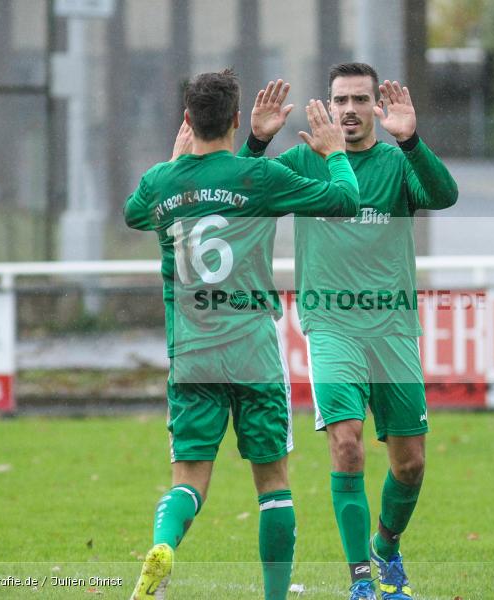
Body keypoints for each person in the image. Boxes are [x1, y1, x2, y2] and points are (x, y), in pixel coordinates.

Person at [124, 69, 360, 600]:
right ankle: (275, 596)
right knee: (272, 481)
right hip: (253, 347)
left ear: (187, 120)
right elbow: (346, 198)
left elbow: (135, 211)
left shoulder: (162, 184)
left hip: (193, 352)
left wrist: (174, 162)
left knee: (188, 477)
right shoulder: (259, 179)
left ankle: (164, 545)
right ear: (234, 119)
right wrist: (333, 150)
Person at [239, 63, 458, 600]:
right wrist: (255, 142)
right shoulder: (304, 162)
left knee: (410, 463)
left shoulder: (394, 162)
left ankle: (386, 544)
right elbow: (239, 192)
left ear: (377, 110)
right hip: (331, 325)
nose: (352, 110)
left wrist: (412, 143)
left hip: (393, 328)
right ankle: (361, 578)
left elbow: (444, 195)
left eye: (362, 99)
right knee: (347, 446)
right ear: (328, 108)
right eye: (342, 101)